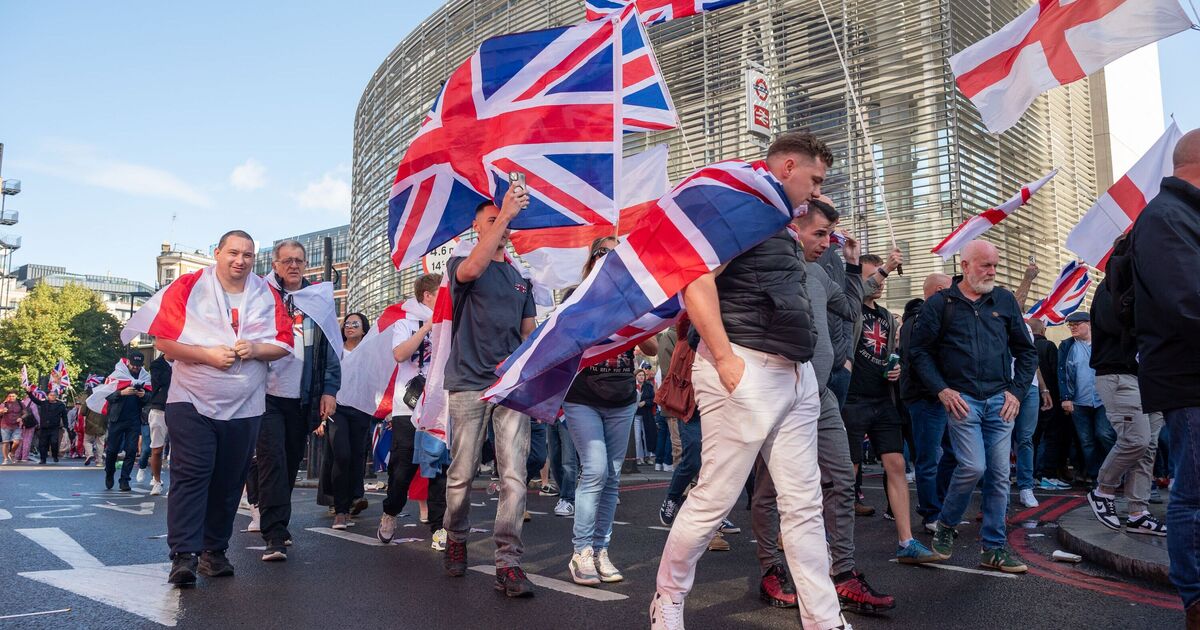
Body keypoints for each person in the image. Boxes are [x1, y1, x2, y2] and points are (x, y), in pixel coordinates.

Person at [650, 132, 847, 630]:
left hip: (793, 374)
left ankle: (824, 618)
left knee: (802, 505)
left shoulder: (781, 223)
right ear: (786, 167)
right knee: (715, 496)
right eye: (814, 180)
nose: (818, 192)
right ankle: (668, 600)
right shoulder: (743, 211)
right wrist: (726, 358)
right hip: (744, 367)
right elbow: (695, 280)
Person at [753, 205, 903, 614]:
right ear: (793, 229)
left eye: (829, 237)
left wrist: (857, 266)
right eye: (820, 235)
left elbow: (852, 306)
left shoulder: (821, 272)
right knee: (768, 490)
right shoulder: (765, 266)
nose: (826, 244)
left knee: (840, 479)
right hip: (776, 397)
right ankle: (771, 568)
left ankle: (843, 574)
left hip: (820, 396)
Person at [147, 230, 293, 587]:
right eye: (233, 252)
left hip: (245, 406)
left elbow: (285, 344)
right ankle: (183, 555)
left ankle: (213, 551)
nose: (240, 260)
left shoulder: (266, 293)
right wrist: (207, 355)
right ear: (218, 253)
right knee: (192, 474)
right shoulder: (187, 286)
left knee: (228, 481)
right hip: (191, 400)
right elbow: (163, 340)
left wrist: (257, 349)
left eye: (247, 254)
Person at [909, 239, 1037, 574]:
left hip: (1000, 401)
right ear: (965, 266)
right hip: (962, 401)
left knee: (998, 476)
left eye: (994, 265)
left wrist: (1017, 392)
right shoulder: (941, 304)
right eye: (985, 265)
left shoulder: (1005, 300)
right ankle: (947, 524)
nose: (992, 271)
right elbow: (919, 352)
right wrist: (942, 390)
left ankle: (994, 548)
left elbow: (1026, 352)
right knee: (973, 467)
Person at [441, 186, 539, 598]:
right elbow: (470, 272)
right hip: (467, 382)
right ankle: (457, 536)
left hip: (508, 388)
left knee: (514, 476)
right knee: (463, 473)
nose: (503, 224)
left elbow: (529, 336)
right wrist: (503, 216)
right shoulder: (461, 263)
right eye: (492, 219)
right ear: (477, 227)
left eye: (506, 220)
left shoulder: (520, 280)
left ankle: (508, 561)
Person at [1127, 127, 1200, 621]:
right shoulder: (1165, 217)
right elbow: (1188, 302)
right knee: (1194, 499)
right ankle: (1197, 599)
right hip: (1192, 381)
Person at [560, 237, 658, 586]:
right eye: (604, 252)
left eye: (617, 253)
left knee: (613, 477)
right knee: (596, 470)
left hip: (622, 399)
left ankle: (601, 550)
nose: (610, 258)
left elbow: (651, 346)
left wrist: (632, 312)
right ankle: (581, 551)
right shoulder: (576, 294)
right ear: (592, 259)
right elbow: (565, 340)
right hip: (582, 397)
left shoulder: (632, 297)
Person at [843, 253, 940, 566]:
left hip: (883, 399)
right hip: (853, 398)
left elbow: (886, 354)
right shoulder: (850, 308)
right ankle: (837, 545)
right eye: (873, 276)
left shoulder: (885, 315)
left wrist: (892, 369)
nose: (880, 283)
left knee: (897, 464)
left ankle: (906, 540)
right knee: (849, 472)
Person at [248, 240, 342, 561]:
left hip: (302, 396)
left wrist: (330, 390)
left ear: (306, 265)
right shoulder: (260, 295)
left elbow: (331, 347)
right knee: (272, 459)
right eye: (286, 260)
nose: (293, 266)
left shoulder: (317, 299)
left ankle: (279, 523)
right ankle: (273, 533)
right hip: (265, 394)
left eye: (299, 260)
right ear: (275, 265)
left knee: (289, 463)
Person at [1084, 238, 1165, 536]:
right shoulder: (1109, 290)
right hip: (1119, 376)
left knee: (1149, 447)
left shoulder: (1139, 290)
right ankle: (1102, 490)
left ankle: (1138, 511)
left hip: (1145, 378)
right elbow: (1118, 326)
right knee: (1136, 440)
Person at [377, 273, 447, 551]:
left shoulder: (449, 325)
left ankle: (439, 527)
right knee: (403, 467)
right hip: (408, 406)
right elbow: (400, 354)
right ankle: (391, 512)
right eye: (441, 294)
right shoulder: (406, 322)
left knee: (439, 466)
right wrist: (427, 327)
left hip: (439, 405)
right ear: (427, 296)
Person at [900, 273, 954, 534]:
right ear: (940, 290)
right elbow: (920, 360)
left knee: (953, 453)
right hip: (926, 398)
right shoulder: (920, 320)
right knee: (928, 459)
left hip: (941, 397)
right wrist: (937, 390)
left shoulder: (931, 317)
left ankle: (938, 505)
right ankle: (932, 513)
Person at [320, 313, 373, 529]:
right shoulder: (335, 350)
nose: (349, 327)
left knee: (357, 456)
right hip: (337, 408)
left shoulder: (369, 353)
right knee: (341, 454)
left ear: (363, 330)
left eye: (355, 324)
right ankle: (340, 511)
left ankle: (352, 500)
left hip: (361, 409)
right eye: (347, 324)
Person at [1058, 311, 1114, 485]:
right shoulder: (1067, 346)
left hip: (1103, 399)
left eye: (1076, 324)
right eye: (1070, 325)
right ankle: (1096, 477)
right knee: (1086, 441)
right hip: (1078, 402)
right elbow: (1062, 373)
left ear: (1089, 324)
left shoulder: (1103, 343)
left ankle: (1116, 472)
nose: (1072, 328)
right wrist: (1065, 397)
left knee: (1104, 435)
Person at [1029, 318, 1072, 490]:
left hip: (1030, 399)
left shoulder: (1022, 346)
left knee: (1032, 438)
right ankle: (1048, 475)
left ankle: (1030, 475)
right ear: (1044, 331)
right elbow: (1058, 373)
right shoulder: (1048, 346)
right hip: (1051, 398)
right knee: (1052, 437)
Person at [104, 352, 149, 491]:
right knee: (112, 450)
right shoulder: (117, 375)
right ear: (128, 362)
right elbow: (106, 395)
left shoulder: (145, 377)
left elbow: (151, 396)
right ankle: (109, 473)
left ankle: (125, 480)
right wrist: (121, 393)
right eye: (134, 365)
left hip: (134, 419)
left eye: (138, 365)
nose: (135, 367)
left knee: (131, 451)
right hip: (117, 418)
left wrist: (144, 395)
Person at [147, 353, 173, 495]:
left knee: (179, 451)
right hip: (159, 409)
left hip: (180, 408)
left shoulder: (184, 361)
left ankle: (174, 484)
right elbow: (163, 380)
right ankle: (157, 481)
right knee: (157, 449)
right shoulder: (157, 364)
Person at [35, 389, 69, 464]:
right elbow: (35, 400)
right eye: (51, 395)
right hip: (44, 427)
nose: (52, 397)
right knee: (42, 444)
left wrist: (66, 426)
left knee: (54, 442)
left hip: (54, 427)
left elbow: (64, 416)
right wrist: (29, 392)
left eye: (54, 395)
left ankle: (55, 455)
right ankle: (43, 459)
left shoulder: (61, 405)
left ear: (56, 396)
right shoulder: (44, 403)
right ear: (47, 396)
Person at [1, 391, 23, 464]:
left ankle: (12, 453)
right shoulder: (4, 404)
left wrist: (21, 418)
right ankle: (5, 459)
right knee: (5, 442)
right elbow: (0, 410)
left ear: (16, 396)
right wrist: (2, 411)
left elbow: (26, 413)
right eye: (10, 396)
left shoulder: (20, 403)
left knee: (17, 441)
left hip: (16, 425)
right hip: (5, 425)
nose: (11, 398)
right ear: (8, 397)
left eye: (13, 396)